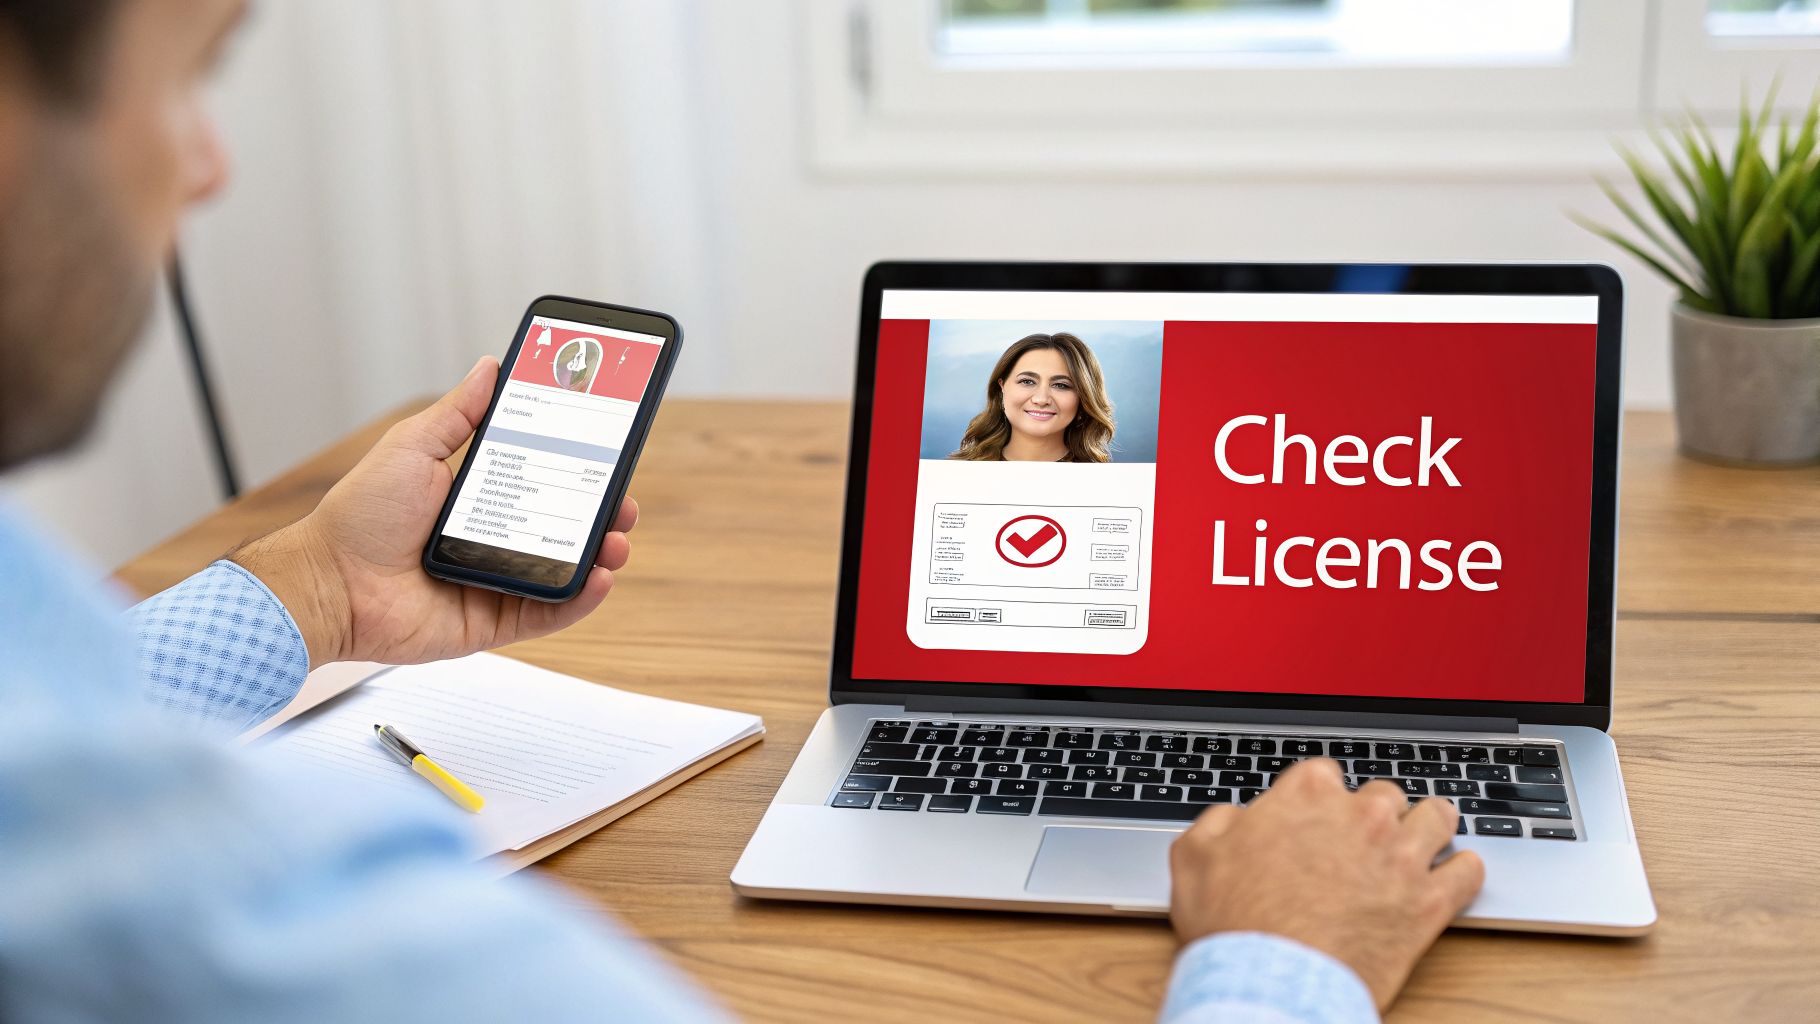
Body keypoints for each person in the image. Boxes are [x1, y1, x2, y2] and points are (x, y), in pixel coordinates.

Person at [0, 2, 1485, 1021]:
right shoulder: (235, 915)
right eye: (182, 70)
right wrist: (1286, 960)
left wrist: (322, 586)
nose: (207, 162)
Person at [951, 331, 1117, 463]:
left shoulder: (1104, 482)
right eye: (1027, 381)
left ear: (1083, 397)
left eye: (1061, 385)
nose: (1041, 399)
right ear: (1002, 387)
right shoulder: (955, 472)